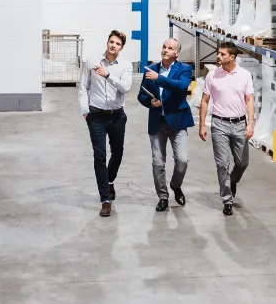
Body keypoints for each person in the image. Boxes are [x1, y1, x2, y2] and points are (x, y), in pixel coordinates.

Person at [79, 29, 133, 216]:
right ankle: (105, 199)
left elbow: (126, 87)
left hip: (117, 115)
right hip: (96, 116)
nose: (113, 45)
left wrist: (108, 75)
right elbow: (83, 87)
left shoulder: (125, 65)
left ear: (121, 47)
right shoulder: (92, 61)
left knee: (117, 152)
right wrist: (85, 111)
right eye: (111, 42)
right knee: (99, 156)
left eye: (117, 44)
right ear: (107, 42)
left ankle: (109, 181)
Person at [198, 42, 255, 216]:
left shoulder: (244, 75)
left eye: (222, 54)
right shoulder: (212, 76)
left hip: (239, 124)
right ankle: (227, 199)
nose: (218, 57)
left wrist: (250, 123)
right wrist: (202, 125)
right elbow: (205, 100)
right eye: (219, 54)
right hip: (219, 124)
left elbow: (249, 100)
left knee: (242, 163)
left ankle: (233, 181)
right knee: (222, 163)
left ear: (232, 57)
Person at [137, 37, 194, 212]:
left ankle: (176, 185)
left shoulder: (184, 69)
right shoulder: (151, 69)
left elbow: (182, 86)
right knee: (158, 163)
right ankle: (163, 196)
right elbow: (141, 95)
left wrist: (159, 79)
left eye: (170, 48)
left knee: (182, 160)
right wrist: (149, 102)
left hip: (177, 122)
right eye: (164, 47)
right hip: (157, 122)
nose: (165, 50)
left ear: (177, 53)